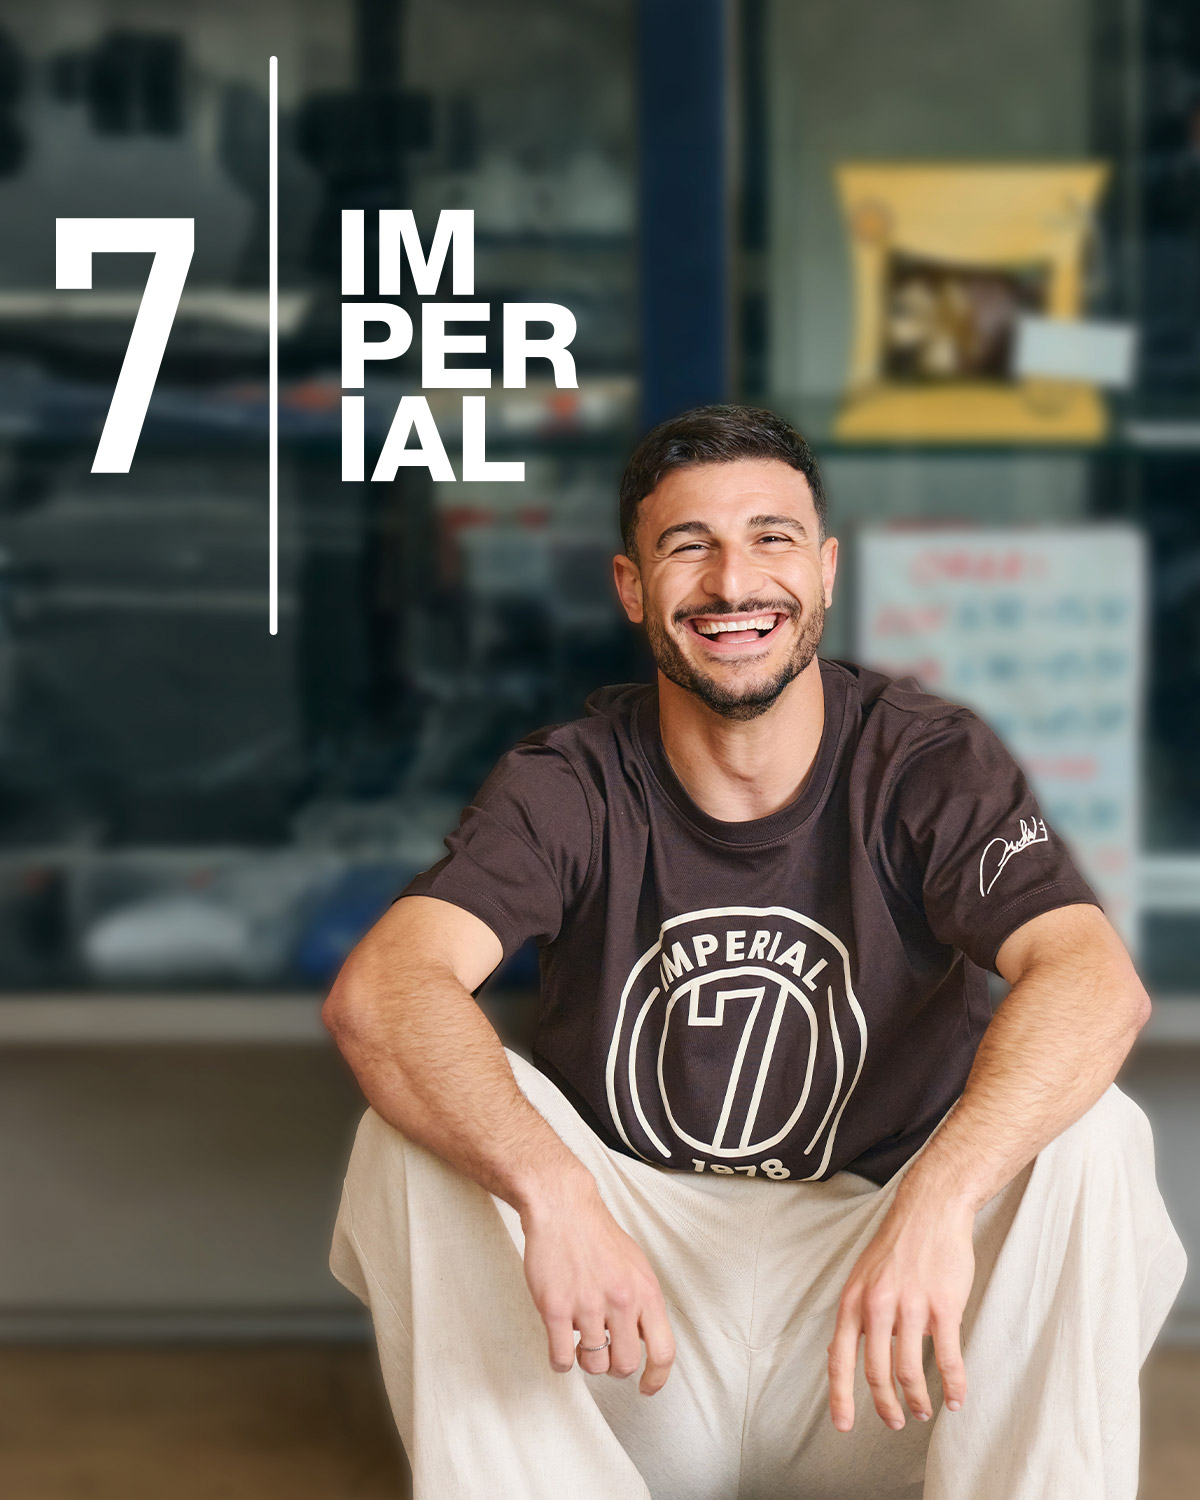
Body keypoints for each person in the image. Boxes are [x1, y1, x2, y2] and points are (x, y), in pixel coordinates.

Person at [323, 405, 1185, 1500]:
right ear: (633, 589)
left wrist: (940, 1200)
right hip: (628, 1327)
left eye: (772, 539)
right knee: (415, 1130)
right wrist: (553, 1193)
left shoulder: (924, 763)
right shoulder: (569, 782)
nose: (735, 583)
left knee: (1091, 1136)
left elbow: (1093, 978)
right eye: (689, 545)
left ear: (824, 573)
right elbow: (387, 989)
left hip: (882, 1330)